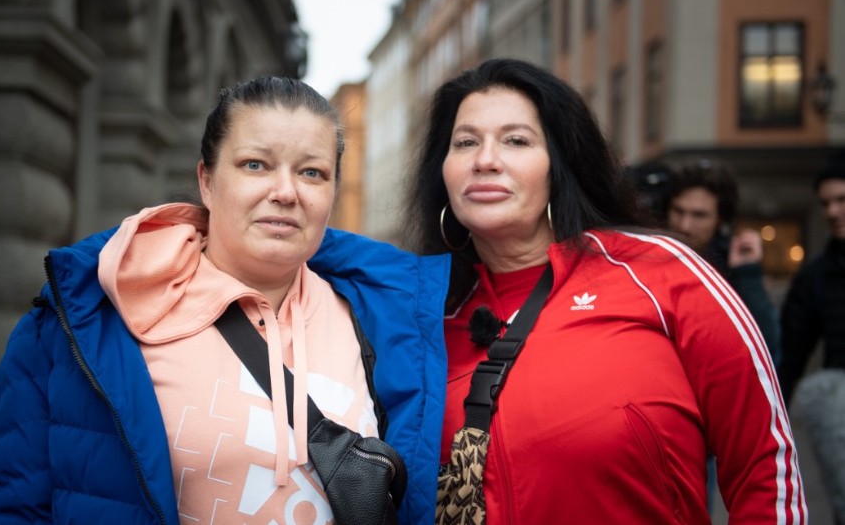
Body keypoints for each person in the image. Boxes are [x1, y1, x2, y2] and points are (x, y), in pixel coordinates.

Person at [310, 58, 805, 523]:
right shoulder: (424, 311)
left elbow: (764, 461)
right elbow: (293, 236)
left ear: (559, 164)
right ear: (442, 172)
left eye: (516, 141)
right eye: (464, 143)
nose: (485, 160)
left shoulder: (661, 273)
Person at [0, 77, 447, 524]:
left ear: (333, 193)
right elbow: (11, 506)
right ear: (207, 181)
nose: (285, 192)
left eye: (312, 172)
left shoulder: (380, 319)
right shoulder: (87, 318)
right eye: (254, 164)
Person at [778, 154, 845, 525]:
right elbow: (790, 356)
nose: (833, 211)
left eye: (842, 200)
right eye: (826, 203)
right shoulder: (817, 277)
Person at [666, 159, 780, 362]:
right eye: (678, 211)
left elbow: (767, 347)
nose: (685, 224)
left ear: (720, 219)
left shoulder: (734, 264)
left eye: (699, 215)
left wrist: (748, 274)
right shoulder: (652, 256)